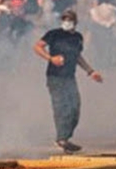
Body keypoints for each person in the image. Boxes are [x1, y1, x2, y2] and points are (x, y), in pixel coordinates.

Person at [33, 10, 103, 154]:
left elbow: (77, 57)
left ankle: (65, 138)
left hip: (70, 77)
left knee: (75, 108)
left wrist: (90, 71)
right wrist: (50, 58)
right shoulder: (54, 34)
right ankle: (61, 138)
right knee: (61, 107)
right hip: (55, 77)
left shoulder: (78, 37)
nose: (67, 22)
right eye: (64, 19)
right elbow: (37, 46)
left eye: (69, 20)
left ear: (75, 22)